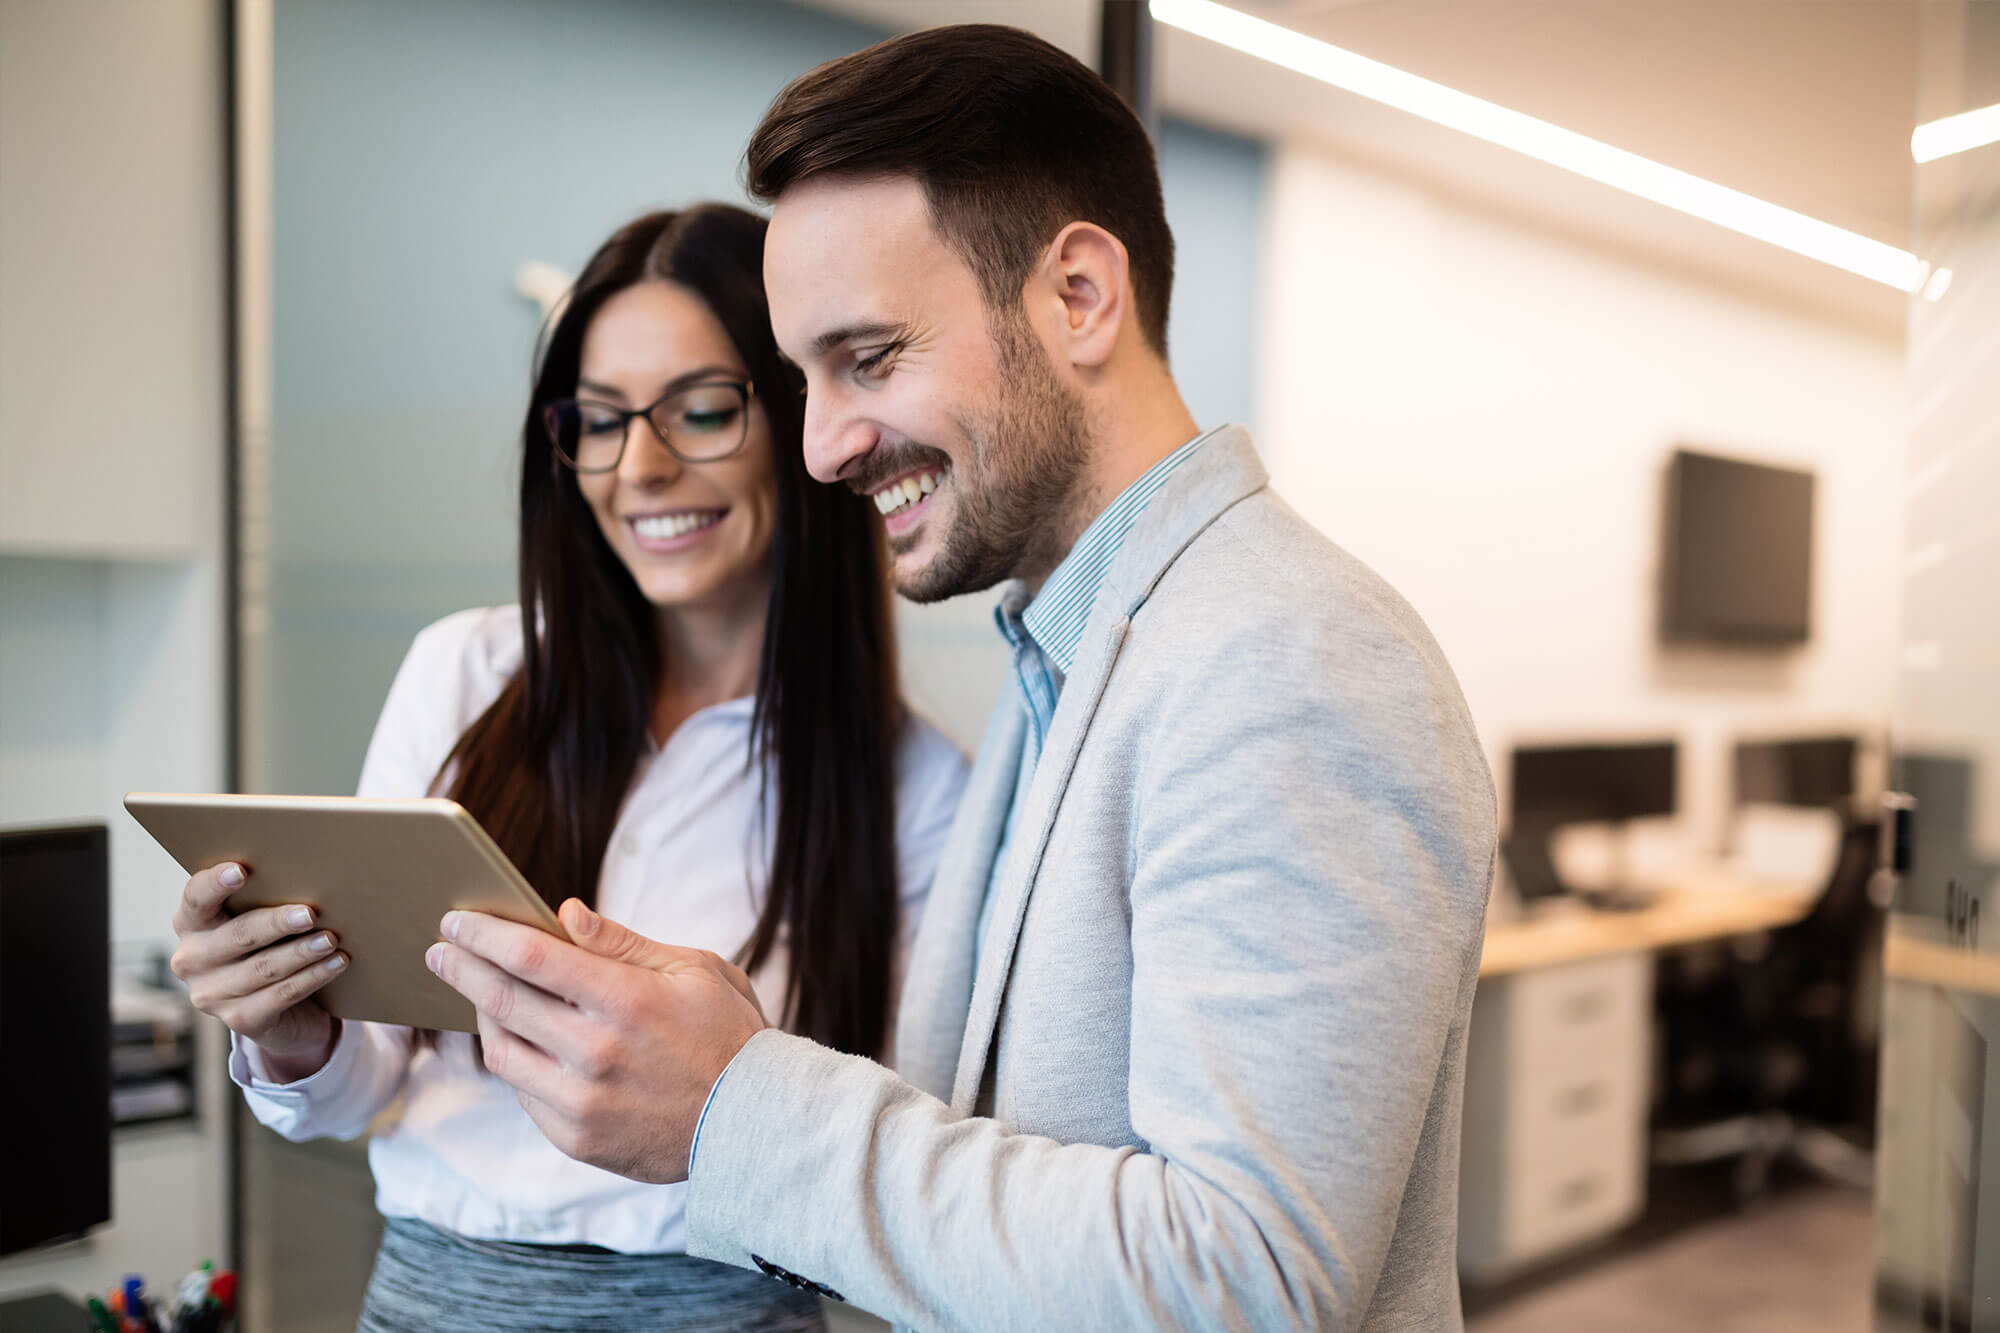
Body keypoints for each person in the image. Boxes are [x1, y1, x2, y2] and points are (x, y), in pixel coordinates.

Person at [429, 25, 1498, 1332]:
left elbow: (1244, 1282)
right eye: (803, 375)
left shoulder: (1292, 662)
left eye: (868, 358)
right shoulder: (1075, 656)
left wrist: (735, 1102)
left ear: (1079, 298)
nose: (819, 447)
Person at [166, 204, 967, 1332]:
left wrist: (720, 1089)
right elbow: (359, 1090)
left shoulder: (919, 786)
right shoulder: (465, 672)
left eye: (699, 410)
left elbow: (885, 1178)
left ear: (803, 421)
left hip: (718, 1306)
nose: (640, 467)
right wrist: (294, 1034)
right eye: (597, 421)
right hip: (430, 1296)